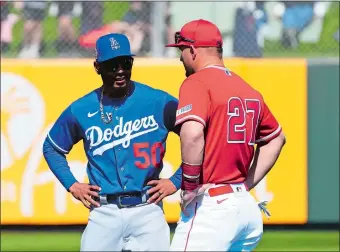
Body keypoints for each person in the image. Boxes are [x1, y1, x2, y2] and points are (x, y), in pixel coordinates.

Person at [42, 33, 182, 251]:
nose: (120, 71)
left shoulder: (158, 101)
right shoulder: (82, 108)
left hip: (148, 209)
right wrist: (72, 185)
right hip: (103, 212)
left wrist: (177, 180)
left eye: (126, 63)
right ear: (97, 67)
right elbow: (51, 147)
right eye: (112, 65)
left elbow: (201, 137)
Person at [166, 19, 286, 251]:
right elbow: (276, 139)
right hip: (245, 208)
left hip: (213, 210)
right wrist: (245, 185)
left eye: (181, 50)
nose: (180, 57)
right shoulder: (247, 88)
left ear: (192, 50)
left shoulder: (197, 82)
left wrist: (189, 186)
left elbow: (191, 135)